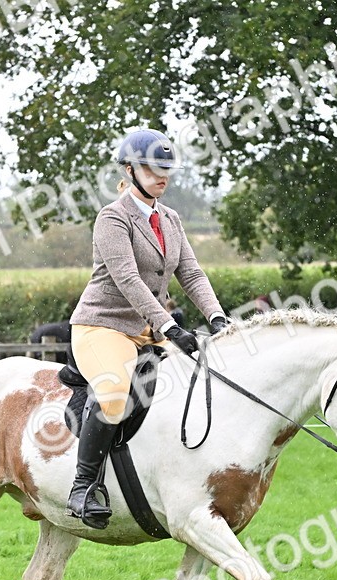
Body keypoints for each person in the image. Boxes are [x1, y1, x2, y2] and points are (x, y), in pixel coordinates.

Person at [66, 129, 230, 528]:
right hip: (103, 326)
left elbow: (190, 273)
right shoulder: (111, 218)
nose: (163, 176)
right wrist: (171, 326)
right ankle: (83, 486)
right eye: (154, 169)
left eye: (167, 169)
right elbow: (127, 279)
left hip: (148, 331)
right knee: (114, 393)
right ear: (130, 170)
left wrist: (217, 317)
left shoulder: (170, 219)